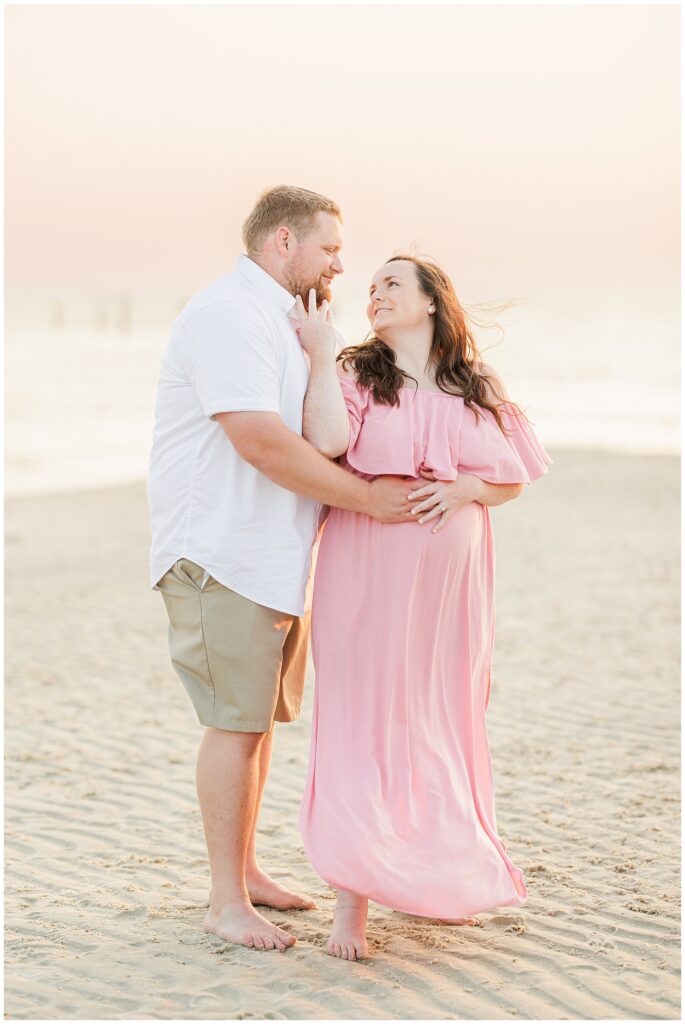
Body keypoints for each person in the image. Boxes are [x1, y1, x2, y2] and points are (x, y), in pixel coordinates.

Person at [147, 186, 419, 953]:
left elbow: (320, 428)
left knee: (256, 724)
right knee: (232, 726)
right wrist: (369, 503)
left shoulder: (283, 319)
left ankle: (249, 872)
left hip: (270, 558)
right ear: (284, 241)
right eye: (330, 248)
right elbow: (260, 441)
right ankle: (224, 902)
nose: (340, 263)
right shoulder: (228, 315)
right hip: (219, 553)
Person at [295, 254, 552, 961]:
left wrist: (467, 489)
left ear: (432, 301)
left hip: (450, 588)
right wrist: (320, 356)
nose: (373, 294)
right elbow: (324, 445)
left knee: (439, 717)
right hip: (366, 567)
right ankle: (351, 900)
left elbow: (512, 480)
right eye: (369, 287)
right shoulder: (354, 372)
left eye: (390, 284)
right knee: (363, 716)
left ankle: (434, 878)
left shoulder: (476, 385)